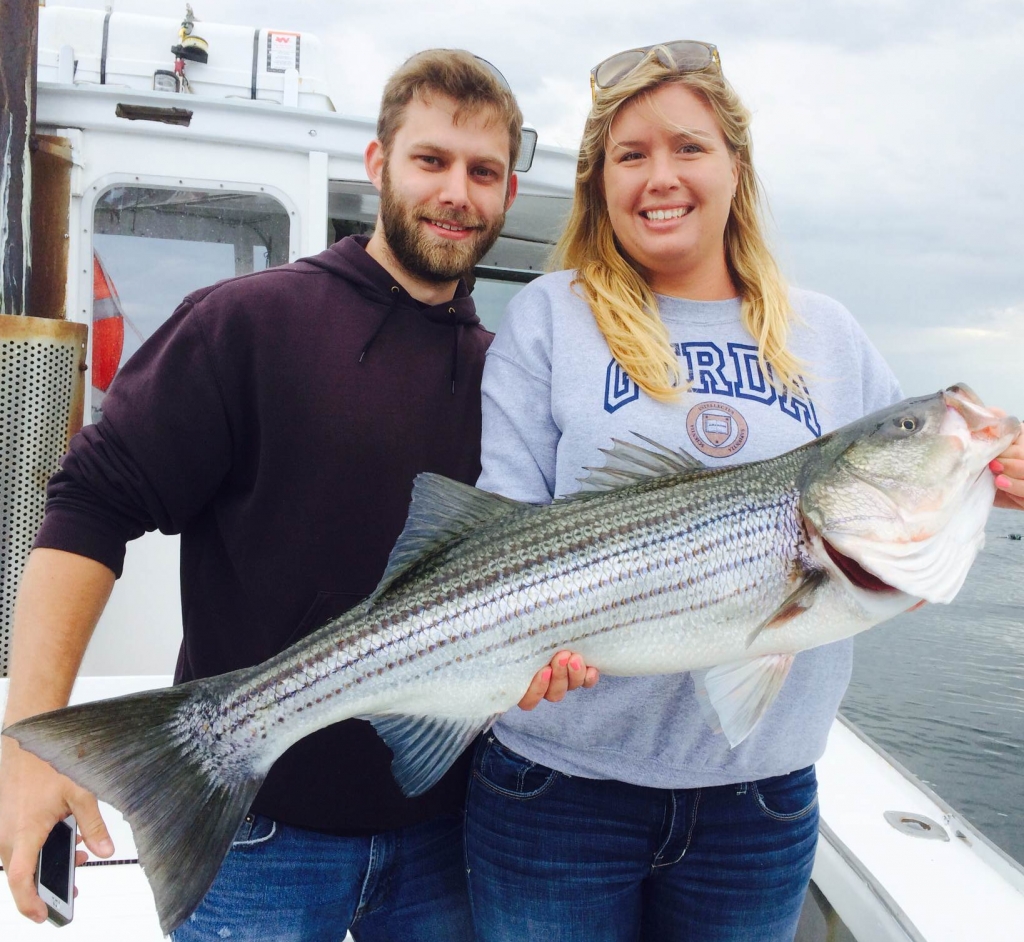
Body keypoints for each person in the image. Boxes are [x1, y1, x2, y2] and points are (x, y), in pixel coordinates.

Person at [0, 49, 595, 941]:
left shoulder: (505, 374)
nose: (457, 195)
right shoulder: (249, 321)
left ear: (510, 191)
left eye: (483, 173)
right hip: (255, 835)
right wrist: (27, 741)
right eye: (431, 160)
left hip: (442, 834)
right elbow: (90, 504)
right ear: (378, 163)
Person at [463, 40, 1024, 942]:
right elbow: (502, 526)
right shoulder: (551, 315)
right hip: (554, 792)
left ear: (736, 165)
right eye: (630, 153)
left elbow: (889, 543)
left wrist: (984, 482)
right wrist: (510, 653)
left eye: (689, 147)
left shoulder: (828, 334)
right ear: (599, 179)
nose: (661, 177)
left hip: (756, 807)